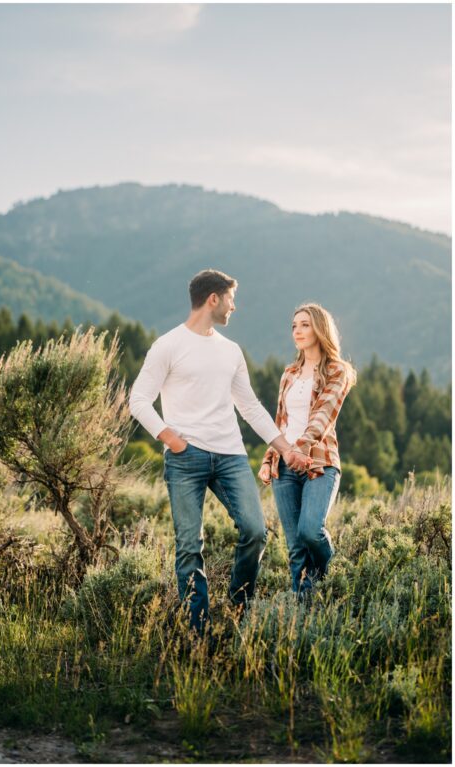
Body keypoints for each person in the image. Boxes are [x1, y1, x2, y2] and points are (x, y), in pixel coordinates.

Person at [128, 269, 311, 633]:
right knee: (188, 546)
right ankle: (197, 631)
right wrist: (172, 438)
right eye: (231, 298)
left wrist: (285, 448)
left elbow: (251, 407)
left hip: (231, 457)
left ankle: (238, 610)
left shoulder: (231, 351)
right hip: (185, 459)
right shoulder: (168, 345)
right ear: (213, 299)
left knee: (255, 531)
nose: (234, 306)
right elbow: (139, 400)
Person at [258, 304, 355, 600]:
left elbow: (322, 417)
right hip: (284, 466)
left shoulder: (339, 371)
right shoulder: (289, 373)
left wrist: (299, 449)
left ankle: (335, 579)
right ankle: (305, 610)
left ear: (320, 329)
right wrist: (269, 458)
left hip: (320, 462)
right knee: (295, 547)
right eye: (294, 326)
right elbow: (280, 422)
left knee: (311, 531)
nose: (297, 331)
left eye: (305, 325)